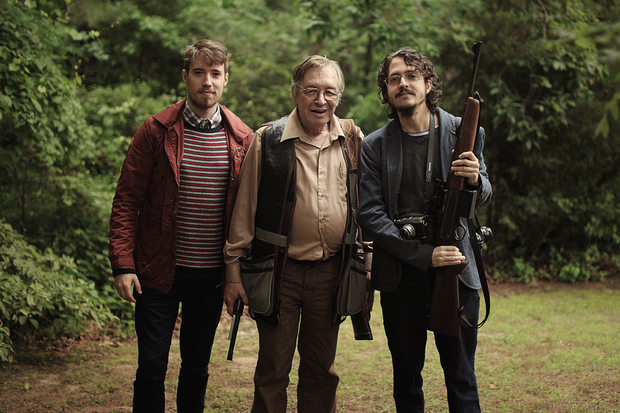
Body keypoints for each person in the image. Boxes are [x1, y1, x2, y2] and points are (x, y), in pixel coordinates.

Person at [108, 39, 253, 413]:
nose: (208, 81)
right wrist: (123, 263)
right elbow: (127, 200)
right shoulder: (155, 131)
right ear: (185, 76)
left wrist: (240, 274)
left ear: (226, 80)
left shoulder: (242, 139)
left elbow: (249, 213)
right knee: (152, 368)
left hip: (210, 278)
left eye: (216, 74)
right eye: (200, 73)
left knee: (197, 368)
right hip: (157, 273)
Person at [223, 55, 368, 413]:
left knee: (321, 370)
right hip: (279, 273)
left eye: (330, 91)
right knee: (273, 369)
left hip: (331, 272)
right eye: (311, 90)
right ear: (295, 93)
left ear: (339, 96)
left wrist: (367, 260)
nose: (321, 100)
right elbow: (245, 209)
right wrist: (232, 273)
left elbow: (365, 204)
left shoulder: (352, 138)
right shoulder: (268, 139)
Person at [358, 48, 492, 413]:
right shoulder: (373, 146)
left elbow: (485, 194)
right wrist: (423, 255)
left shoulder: (463, 132)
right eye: (394, 78)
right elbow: (370, 214)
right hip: (402, 277)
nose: (403, 83)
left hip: (456, 269)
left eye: (412, 75)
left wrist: (476, 179)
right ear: (386, 90)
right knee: (407, 378)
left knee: (462, 377)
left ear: (428, 83)